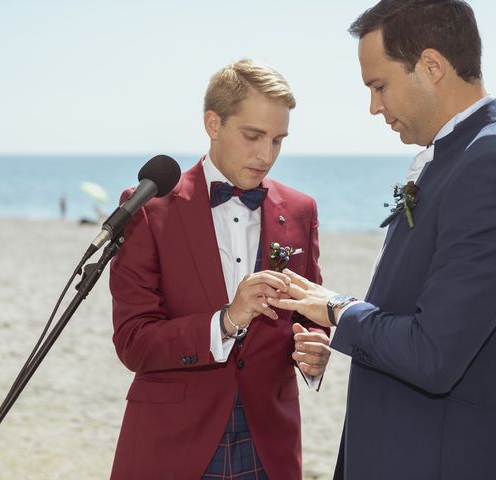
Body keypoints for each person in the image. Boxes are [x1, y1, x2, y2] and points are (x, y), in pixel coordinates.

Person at [267, 1, 496, 479]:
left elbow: (433, 355)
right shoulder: (461, 155)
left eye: (379, 85)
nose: (373, 107)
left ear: (432, 65)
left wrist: (337, 309)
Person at [109, 59, 331, 480]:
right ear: (213, 123)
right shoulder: (149, 208)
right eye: (253, 136)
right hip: (172, 446)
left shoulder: (302, 210)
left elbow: (309, 312)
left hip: (269, 446)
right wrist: (226, 322)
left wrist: (314, 351)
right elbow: (133, 341)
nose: (266, 155)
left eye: (278, 140)